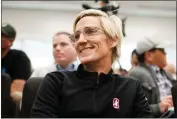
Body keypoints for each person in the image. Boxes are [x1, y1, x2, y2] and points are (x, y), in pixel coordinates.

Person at [31, 9, 153, 118]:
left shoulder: (131, 87)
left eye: (91, 31)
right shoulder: (56, 81)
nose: (81, 40)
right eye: (77, 36)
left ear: (113, 39)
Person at [129, 36, 174, 117]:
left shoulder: (165, 74)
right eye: (162, 50)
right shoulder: (136, 74)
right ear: (149, 55)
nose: (165, 53)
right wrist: (158, 107)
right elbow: (130, 108)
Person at [1, 23, 32, 104]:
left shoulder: (19, 57)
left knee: (16, 96)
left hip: (6, 99)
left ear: (11, 41)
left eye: (2, 35)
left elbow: (17, 88)